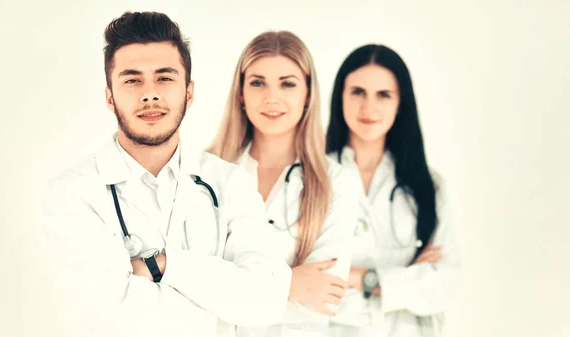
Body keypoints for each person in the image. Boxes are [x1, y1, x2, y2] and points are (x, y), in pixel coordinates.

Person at [41, 11, 292, 337]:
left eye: (164, 77)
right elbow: (111, 318)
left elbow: (267, 302)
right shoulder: (72, 193)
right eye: (132, 80)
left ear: (188, 93)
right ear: (109, 96)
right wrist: (220, 301)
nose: (150, 94)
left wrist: (161, 265)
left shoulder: (228, 182)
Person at [207, 31, 358, 337]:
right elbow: (186, 286)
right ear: (241, 93)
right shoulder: (204, 173)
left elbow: (323, 298)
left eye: (287, 84)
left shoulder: (337, 181)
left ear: (307, 95)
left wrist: (231, 288)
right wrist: (291, 284)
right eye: (258, 82)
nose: (271, 98)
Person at [325, 44, 461, 337]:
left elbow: (445, 283)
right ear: (340, 97)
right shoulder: (312, 178)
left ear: (401, 103)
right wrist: (406, 276)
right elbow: (305, 280)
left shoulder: (428, 186)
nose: (368, 107)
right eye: (358, 92)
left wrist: (361, 278)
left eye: (383, 95)